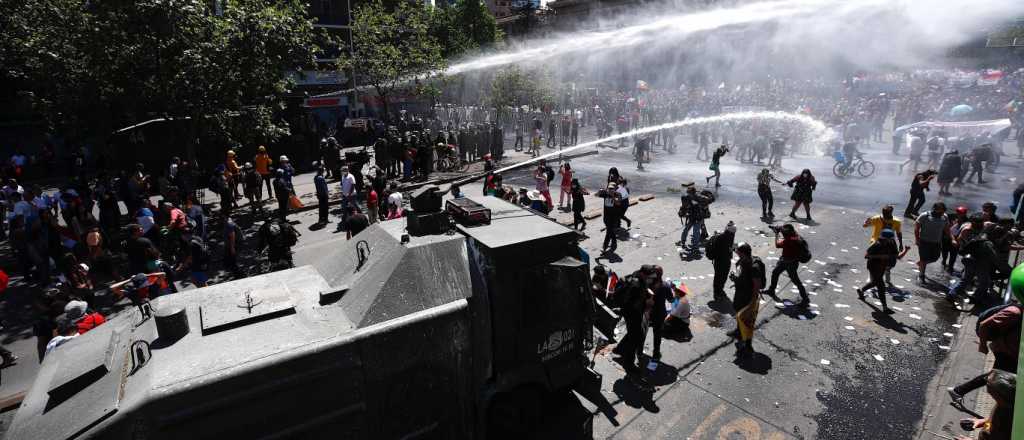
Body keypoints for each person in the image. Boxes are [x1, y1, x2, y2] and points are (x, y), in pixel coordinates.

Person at [948, 303, 1020, 408]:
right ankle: (959, 391)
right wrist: (982, 345)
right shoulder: (1014, 312)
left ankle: (959, 390)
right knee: (998, 377)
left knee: (998, 376)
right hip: (1004, 350)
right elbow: (984, 325)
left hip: (1012, 351)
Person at [948, 214, 996, 305]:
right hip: (972, 258)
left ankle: (952, 294)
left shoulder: (985, 225)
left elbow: (994, 224)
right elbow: (960, 241)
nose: (978, 224)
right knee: (984, 281)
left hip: (979, 258)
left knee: (967, 279)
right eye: (976, 222)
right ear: (972, 222)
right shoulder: (967, 230)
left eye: (980, 222)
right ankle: (975, 297)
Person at [856, 229, 906, 313]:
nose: (889, 240)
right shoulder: (876, 244)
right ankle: (885, 308)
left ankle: (861, 290)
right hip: (873, 266)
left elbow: (896, 255)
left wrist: (904, 251)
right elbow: (867, 255)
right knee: (881, 286)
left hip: (883, 266)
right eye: (888, 239)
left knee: (875, 282)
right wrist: (881, 256)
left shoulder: (892, 244)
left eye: (890, 239)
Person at [730, 242, 766, 357]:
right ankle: (738, 331)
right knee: (738, 311)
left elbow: (756, 284)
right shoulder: (745, 260)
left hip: (747, 296)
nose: (737, 254)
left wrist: (752, 300)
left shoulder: (754, 266)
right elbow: (743, 276)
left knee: (746, 318)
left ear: (744, 253)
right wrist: (736, 280)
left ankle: (747, 345)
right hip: (740, 292)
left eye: (738, 253)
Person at [762, 224, 809, 308]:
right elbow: (786, 229)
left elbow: (777, 245)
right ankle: (771, 290)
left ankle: (805, 299)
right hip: (789, 261)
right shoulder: (795, 236)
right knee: (775, 272)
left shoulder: (788, 241)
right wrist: (779, 229)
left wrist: (776, 234)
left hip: (789, 263)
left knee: (796, 281)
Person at [915, 203, 949, 283]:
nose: (942, 212)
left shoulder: (944, 217)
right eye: (940, 210)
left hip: (937, 242)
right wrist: (917, 239)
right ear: (934, 209)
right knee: (923, 258)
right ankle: (921, 274)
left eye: (943, 211)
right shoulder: (925, 216)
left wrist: (951, 238)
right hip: (924, 241)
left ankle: (921, 264)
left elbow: (947, 228)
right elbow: (917, 228)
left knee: (935, 258)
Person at [708, 221, 737, 302]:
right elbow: (720, 249)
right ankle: (717, 293)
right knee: (719, 277)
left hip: (726, 260)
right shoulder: (721, 238)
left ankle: (720, 289)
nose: (733, 234)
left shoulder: (729, 235)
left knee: (723, 276)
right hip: (720, 261)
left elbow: (730, 247)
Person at [598, 183, 622, 255]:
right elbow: (596, 195)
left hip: (614, 217)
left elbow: (618, 203)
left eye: (612, 189)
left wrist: (612, 197)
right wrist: (600, 191)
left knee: (608, 232)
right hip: (606, 217)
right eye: (609, 188)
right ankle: (614, 241)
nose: (610, 190)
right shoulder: (606, 194)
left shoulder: (618, 194)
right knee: (610, 231)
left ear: (615, 189)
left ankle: (604, 247)